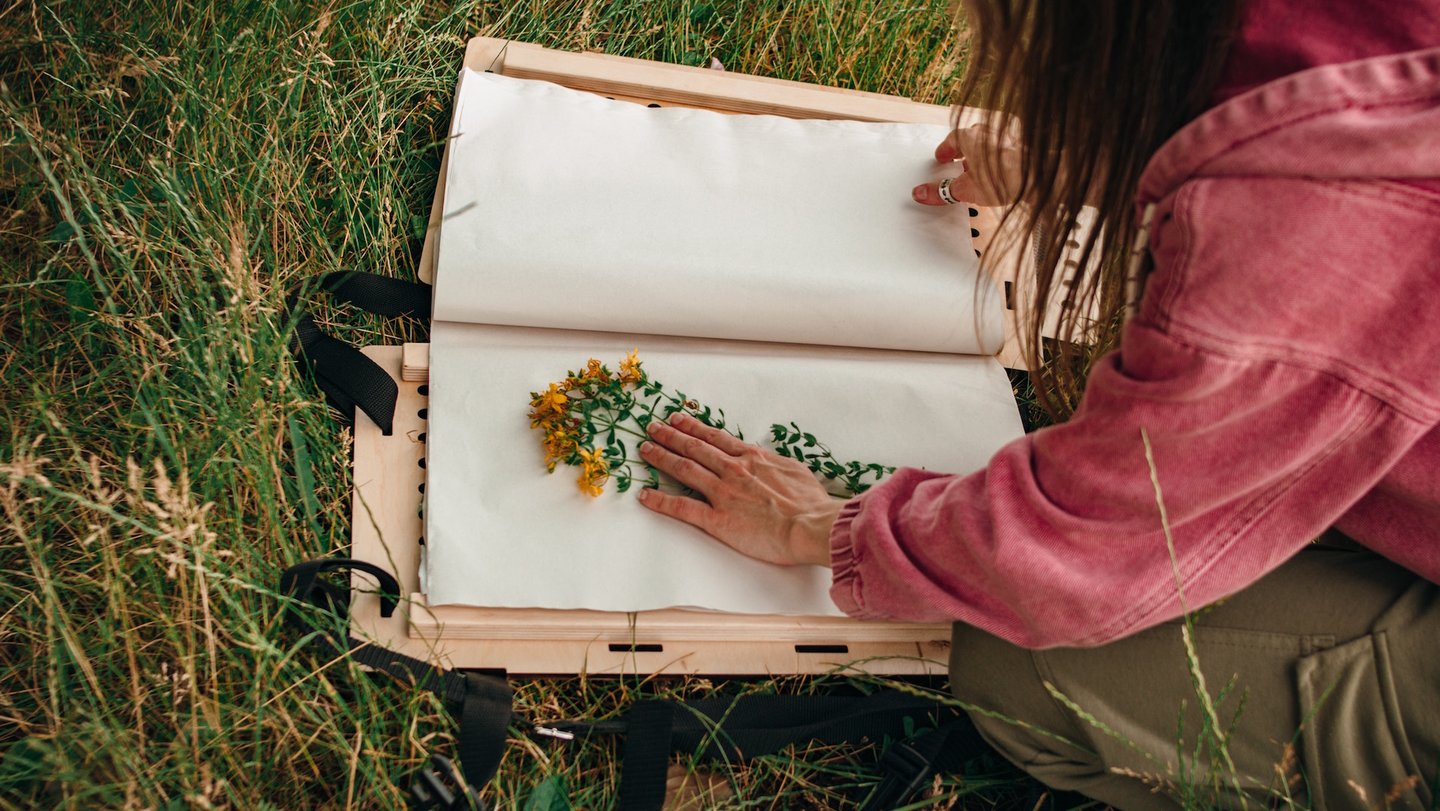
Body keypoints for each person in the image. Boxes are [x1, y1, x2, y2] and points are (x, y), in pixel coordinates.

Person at [636, 0, 1440, 807]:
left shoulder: (1302, 244)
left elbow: (1076, 556)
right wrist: (1102, 158)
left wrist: (821, 526)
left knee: (1022, 670)